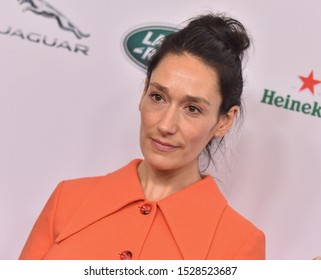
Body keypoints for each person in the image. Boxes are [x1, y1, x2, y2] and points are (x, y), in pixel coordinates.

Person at [19, 13, 265, 260]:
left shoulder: (239, 245)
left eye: (193, 108)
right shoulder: (68, 199)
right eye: (158, 97)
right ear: (144, 92)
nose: (166, 125)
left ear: (224, 121)